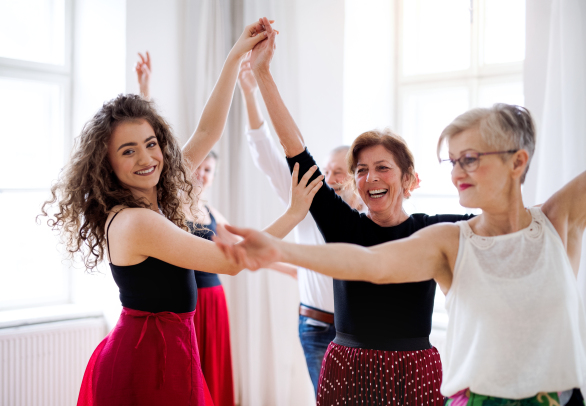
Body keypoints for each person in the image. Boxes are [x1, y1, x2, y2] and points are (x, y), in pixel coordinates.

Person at [215, 104, 586, 406]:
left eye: (470, 158)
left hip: (543, 393)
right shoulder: (448, 238)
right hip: (448, 389)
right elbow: (371, 263)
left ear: (518, 161)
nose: (457, 172)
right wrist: (280, 249)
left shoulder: (554, 220)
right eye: (453, 161)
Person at [39, 19, 317, 406]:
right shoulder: (136, 221)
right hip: (147, 359)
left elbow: (206, 133)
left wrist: (235, 55)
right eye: (128, 150)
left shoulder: (153, 195)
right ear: (108, 165)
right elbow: (232, 261)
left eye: (151, 144)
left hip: (171, 348)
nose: (147, 158)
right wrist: (293, 212)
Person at [237, 17, 474, 405]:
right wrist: (263, 73)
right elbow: (295, 149)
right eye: (361, 170)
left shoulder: (435, 230)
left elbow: (498, 223)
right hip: (347, 367)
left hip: (414, 371)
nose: (370, 177)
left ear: (410, 180)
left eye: (383, 167)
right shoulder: (344, 225)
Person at [134, 54, 296, 406]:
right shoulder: (166, 206)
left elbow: (241, 248)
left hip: (212, 299)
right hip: (186, 306)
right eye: (199, 167)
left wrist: (295, 270)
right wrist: (144, 92)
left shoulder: (210, 211)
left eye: (209, 171)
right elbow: (154, 152)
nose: (202, 174)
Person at [238, 60, 363, 395]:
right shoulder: (308, 202)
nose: (331, 177)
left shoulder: (370, 219)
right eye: (327, 169)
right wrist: (250, 93)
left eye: (340, 171)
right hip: (318, 327)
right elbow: (266, 155)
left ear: (357, 176)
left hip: (363, 331)